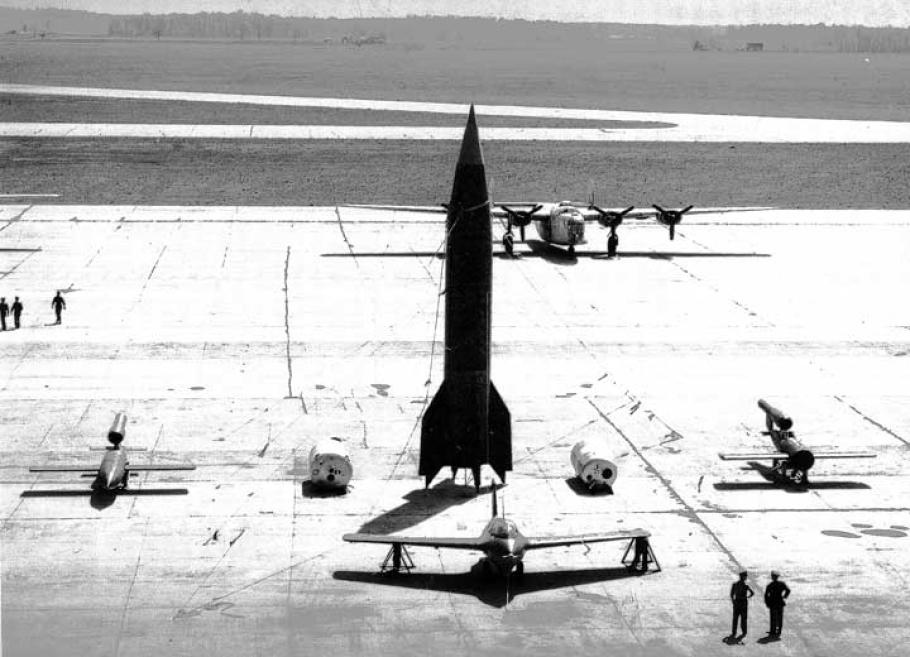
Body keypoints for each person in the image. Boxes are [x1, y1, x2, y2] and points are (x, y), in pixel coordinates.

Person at [764, 571, 791, 637]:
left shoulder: (770, 585)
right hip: (780, 602)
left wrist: (767, 603)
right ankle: (779, 631)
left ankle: (773, 631)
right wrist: (784, 596)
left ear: (772, 577)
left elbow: (766, 595)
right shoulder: (782, 584)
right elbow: (788, 590)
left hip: (773, 603)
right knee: (780, 617)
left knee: (773, 617)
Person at [729, 571, 754, 641]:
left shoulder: (735, 584)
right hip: (743, 604)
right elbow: (752, 593)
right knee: (744, 619)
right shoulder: (746, 586)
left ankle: (734, 632)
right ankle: (744, 631)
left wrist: (733, 602)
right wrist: (747, 597)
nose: (746, 577)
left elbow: (731, 595)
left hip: (736, 603)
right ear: (743, 577)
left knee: (735, 619)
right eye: (745, 576)